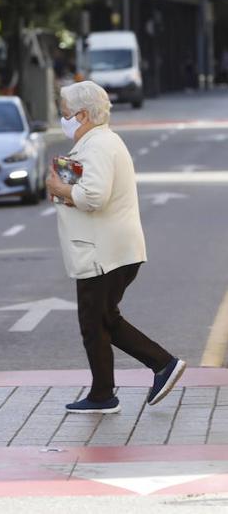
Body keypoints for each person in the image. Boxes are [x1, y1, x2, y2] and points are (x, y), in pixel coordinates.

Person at [46, 81, 185, 414]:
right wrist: (64, 185)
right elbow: (86, 188)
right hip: (109, 249)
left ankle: (149, 371)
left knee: (95, 323)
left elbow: (94, 196)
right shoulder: (98, 143)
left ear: (82, 115)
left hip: (102, 252)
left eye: (65, 114)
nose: (63, 119)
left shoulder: (97, 146)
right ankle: (117, 386)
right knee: (103, 320)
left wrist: (57, 187)